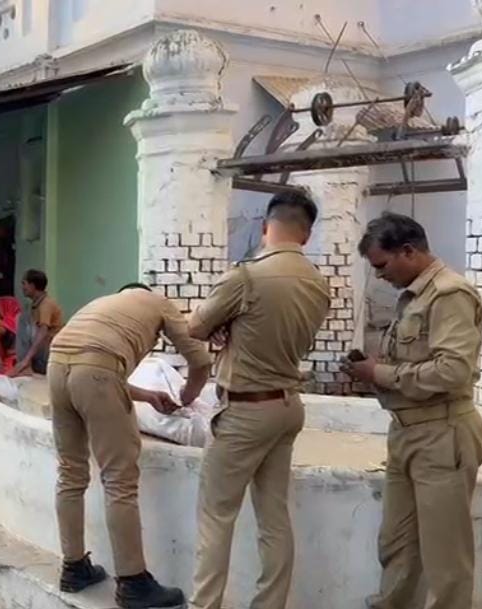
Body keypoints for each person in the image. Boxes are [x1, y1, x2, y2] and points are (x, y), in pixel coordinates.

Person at [187, 192, 330, 609]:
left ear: (266, 227)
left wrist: (226, 326)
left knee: (216, 516)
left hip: (245, 409)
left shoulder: (247, 276)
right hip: (286, 406)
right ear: (306, 234)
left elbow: (196, 326)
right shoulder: (318, 283)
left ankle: (204, 605)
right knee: (274, 518)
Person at [342, 213, 482, 609]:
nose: (379, 275)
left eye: (382, 265)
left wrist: (380, 373)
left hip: (442, 434)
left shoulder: (449, 294)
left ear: (408, 251)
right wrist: (371, 370)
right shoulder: (413, 298)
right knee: (397, 544)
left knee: (445, 555)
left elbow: (452, 371)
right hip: (407, 432)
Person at [48, 282, 212, 608]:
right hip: (95, 372)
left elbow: (89, 366)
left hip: (56, 367)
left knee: (70, 473)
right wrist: (187, 397)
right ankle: (133, 582)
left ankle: (74, 567)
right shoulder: (158, 302)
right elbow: (200, 361)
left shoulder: (103, 305)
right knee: (119, 479)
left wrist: (147, 396)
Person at [12, 269, 61, 377]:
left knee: (23, 319)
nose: (22, 287)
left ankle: (25, 365)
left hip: (49, 352)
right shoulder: (35, 305)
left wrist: (26, 359)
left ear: (32, 285)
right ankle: (25, 365)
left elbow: (43, 333)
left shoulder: (46, 304)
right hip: (41, 352)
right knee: (22, 316)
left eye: (24, 283)